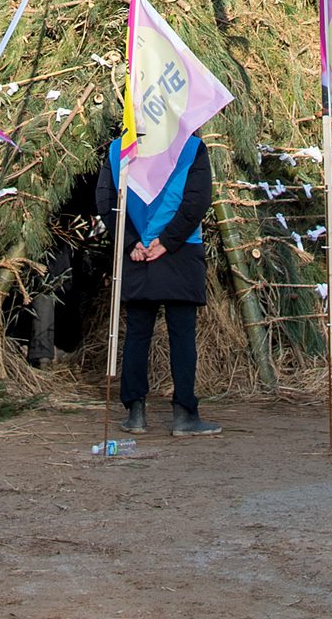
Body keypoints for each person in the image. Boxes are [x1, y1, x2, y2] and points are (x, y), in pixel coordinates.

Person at [97, 122, 219, 437]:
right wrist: (167, 241)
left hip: (138, 250)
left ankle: (135, 413)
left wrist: (131, 242)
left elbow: (105, 201)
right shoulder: (191, 147)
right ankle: (184, 414)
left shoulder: (117, 150)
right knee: (182, 334)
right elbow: (197, 200)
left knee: (138, 333)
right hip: (180, 250)